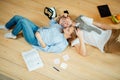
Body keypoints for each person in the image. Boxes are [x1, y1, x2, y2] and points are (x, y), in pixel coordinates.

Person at [0, 15, 75, 53]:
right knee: (17, 17)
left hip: (35, 39)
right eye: (68, 26)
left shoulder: (62, 45)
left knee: (22, 21)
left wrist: (39, 38)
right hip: (38, 29)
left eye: (68, 29)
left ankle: (13, 34)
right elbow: (52, 23)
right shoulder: (60, 28)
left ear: (69, 36)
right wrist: (63, 18)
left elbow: (47, 49)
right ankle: (7, 26)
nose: (66, 27)